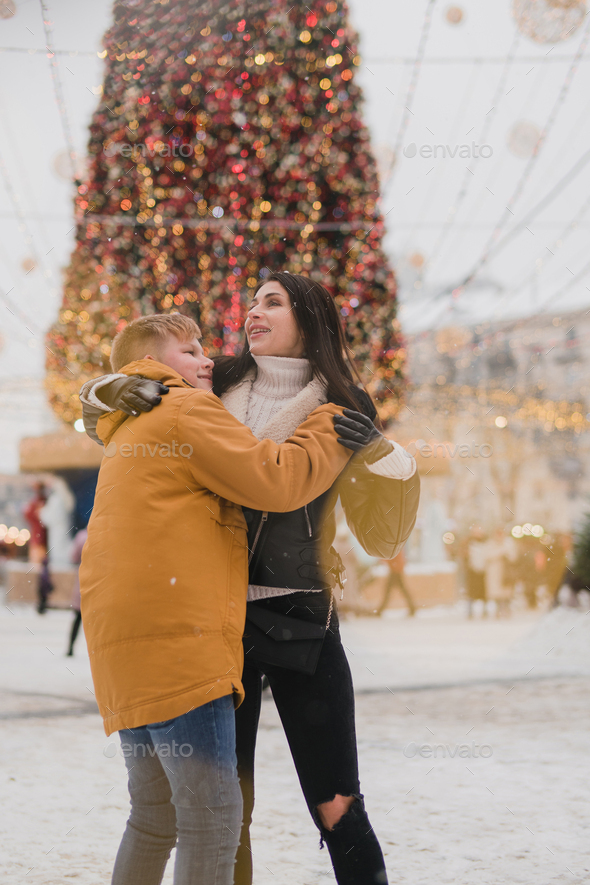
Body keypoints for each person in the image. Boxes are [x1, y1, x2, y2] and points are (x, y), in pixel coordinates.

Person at [81, 273, 420, 885]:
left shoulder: (346, 407)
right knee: (223, 817)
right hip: (216, 625)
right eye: (252, 302)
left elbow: (383, 536)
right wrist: (107, 389)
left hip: (299, 618)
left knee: (336, 804)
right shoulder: (220, 381)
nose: (252, 313)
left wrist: (385, 458)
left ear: (309, 319)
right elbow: (136, 400)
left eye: (273, 302)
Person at [67, 527, 87, 656]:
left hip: (83, 578)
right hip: (101, 581)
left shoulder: (82, 536)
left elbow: (73, 557)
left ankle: (70, 647)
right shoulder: (105, 533)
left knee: (78, 618)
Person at [377, 549, 415, 617]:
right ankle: (412, 608)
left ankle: (380, 610)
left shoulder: (394, 548)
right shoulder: (397, 547)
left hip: (395, 571)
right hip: (397, 570)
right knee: (402, 590)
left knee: (388, 591)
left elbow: (391, 558)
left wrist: (382, 560)